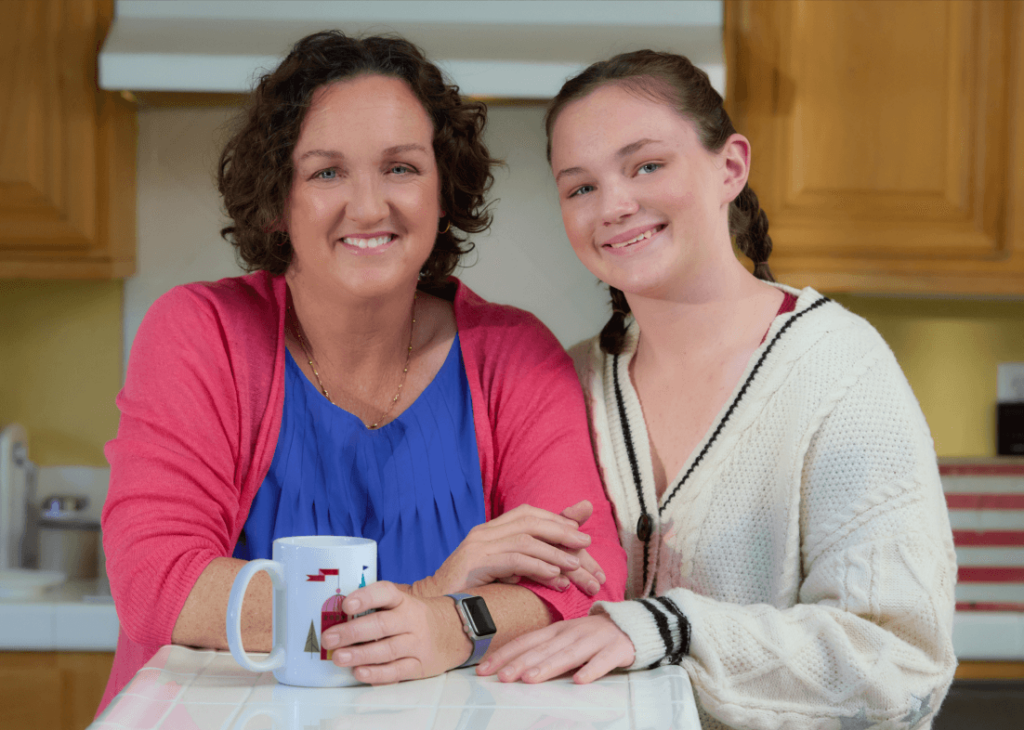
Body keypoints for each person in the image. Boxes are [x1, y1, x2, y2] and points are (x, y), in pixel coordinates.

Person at [98, 32, 626, 714]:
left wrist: (454, 622)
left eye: (401, 168)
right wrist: (432, 598)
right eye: (326, 173)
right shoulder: (203, 334)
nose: (370, 205)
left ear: (444, 190)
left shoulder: (514, 355)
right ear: (276, 202)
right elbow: (159, 584)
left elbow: (589, 581)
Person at [480, 50, 957, 730]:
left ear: (730, 167)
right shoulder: (574, 380)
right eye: (579, 187)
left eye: (647, 165)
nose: (614, 205)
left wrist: (668, 626)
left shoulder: (841, 372)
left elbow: (901, 668)